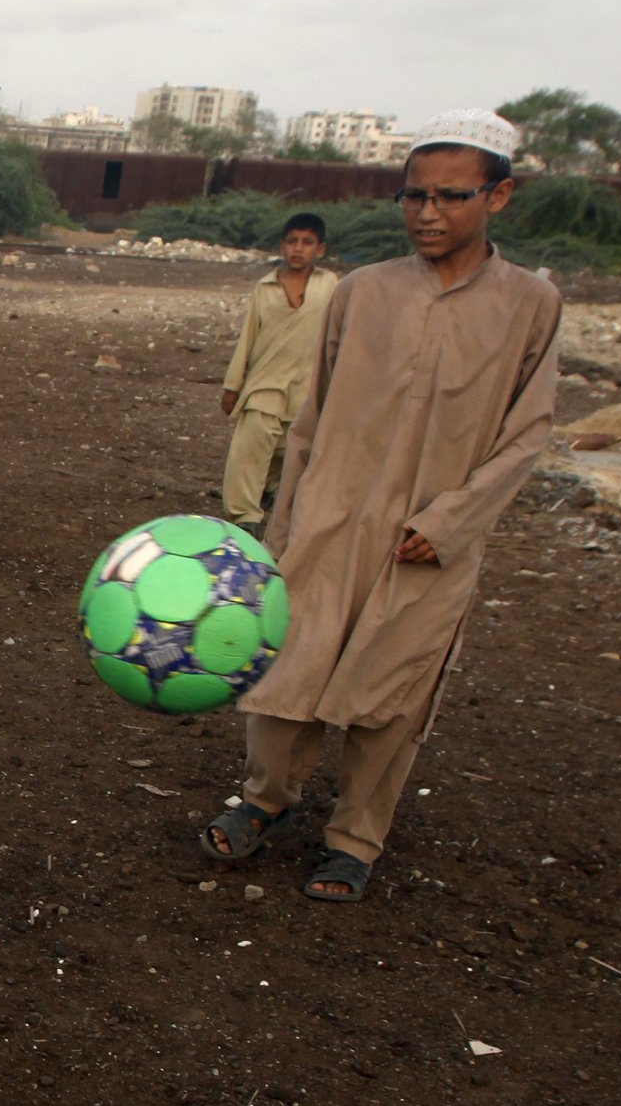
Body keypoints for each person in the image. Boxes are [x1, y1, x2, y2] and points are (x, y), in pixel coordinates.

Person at [199, 109, 560, 902]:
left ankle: (355, 838)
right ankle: (264, 801)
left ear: (500, 196)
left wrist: (451, 522)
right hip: (332, 520)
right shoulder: (363, 292)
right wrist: (288, 526)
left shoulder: (530, 304)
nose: (427, 213)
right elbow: (311, 421)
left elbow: (527, 433)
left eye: (451, 196)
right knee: (291, 667)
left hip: (427, 540)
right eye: (413, 196)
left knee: (390, 695)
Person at [219, 212, 339, 528]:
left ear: (321, 249)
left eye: (307, 243)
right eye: (292, 242)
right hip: (264, 384)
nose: (298, 249)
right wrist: (233, 385)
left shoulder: (330, 286)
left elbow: (341, 333)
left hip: (307, 386)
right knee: (250, 451)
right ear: (282, 246)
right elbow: (248, 339)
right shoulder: (266, 287)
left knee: (290, 451)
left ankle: (271, 493)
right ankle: (244, 515)